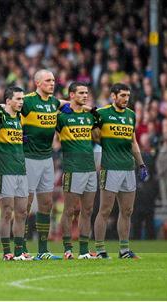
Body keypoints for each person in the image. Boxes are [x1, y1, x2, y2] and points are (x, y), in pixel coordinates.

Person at [21, 69, 73, 260]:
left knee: (46, 204)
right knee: (24, 205)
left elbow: (69, 103)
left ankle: (42, 250)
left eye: (53, 80)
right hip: (27, 158)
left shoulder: (53, 102)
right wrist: (18, 133)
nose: (52, 83)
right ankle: (21, 248)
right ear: (37, 83)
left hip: (46, 159)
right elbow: (7, 108)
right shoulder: (27, 101)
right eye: (48, 80)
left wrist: (75, 106)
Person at [93, 83, 149, 259]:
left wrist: (141, 164)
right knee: (105, 210)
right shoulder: (102, 114)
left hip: (128, 168)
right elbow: (94, 136)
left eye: (127, 96)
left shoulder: (131, 115)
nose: (126, 99)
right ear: (113, 96)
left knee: (127, 210)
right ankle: (101, 250)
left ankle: (124, 250)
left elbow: (133, 142)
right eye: (122, 95)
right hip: (110, 167)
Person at [56, 82, 98, 260]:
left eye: (86, 93)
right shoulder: (62, 117)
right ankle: (67, 249)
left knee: (87, 210)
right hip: (73, 168)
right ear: (71, 95)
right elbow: (47, 110)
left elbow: (98, 118)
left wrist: (90, 109)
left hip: (90, 168)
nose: (85, 95)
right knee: (69, 210)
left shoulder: (90, 117)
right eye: (81, 93)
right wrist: (65, 105)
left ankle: (83, 250)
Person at [0, 86, 32, 261]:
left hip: (21, 170)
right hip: (5, 169)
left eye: (22, 99)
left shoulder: (19, 118)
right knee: (7, 211)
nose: (21, 102)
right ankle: (6, 252)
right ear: (8, 101)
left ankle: (19, 251)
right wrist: (0, 107)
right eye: (17, 99)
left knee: (22, 211)